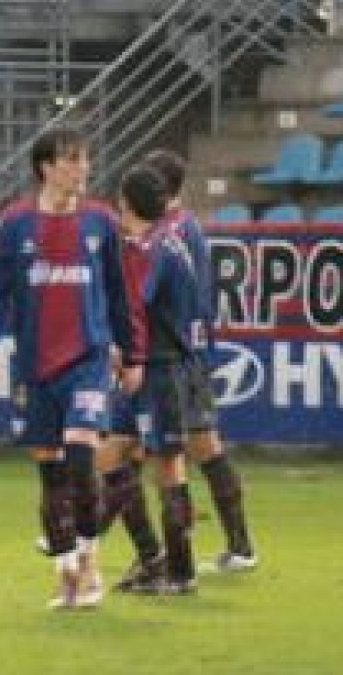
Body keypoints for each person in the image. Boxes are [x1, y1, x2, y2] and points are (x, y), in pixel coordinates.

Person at [0, 126, 145, 610]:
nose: (82, 169)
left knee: (82, 456)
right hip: (35, 365)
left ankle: (90, 561)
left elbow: (120, 292)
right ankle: (65, 570)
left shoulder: (102, 222)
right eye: (72, 160)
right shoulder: (14, 224)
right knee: (49, 472)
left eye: (85, 159)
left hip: (88, 360)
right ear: (46, 167)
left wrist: (131, 354)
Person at [143, 149, 257, 573]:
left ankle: (176, 558)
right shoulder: (180, 226)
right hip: (186, 351)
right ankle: (235, 547)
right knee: (196, 448)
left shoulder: (172, 231)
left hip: (178, 355)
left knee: (181, 451)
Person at [103, 165, 204, 594]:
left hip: (159, 367)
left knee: (168, 464)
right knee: (109, 455)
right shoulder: (163, 241)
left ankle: (181, 572)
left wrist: (127, 353)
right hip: (149, 365)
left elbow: (135, 306)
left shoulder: (155, 248)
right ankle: (152, 558)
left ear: (125, 202)